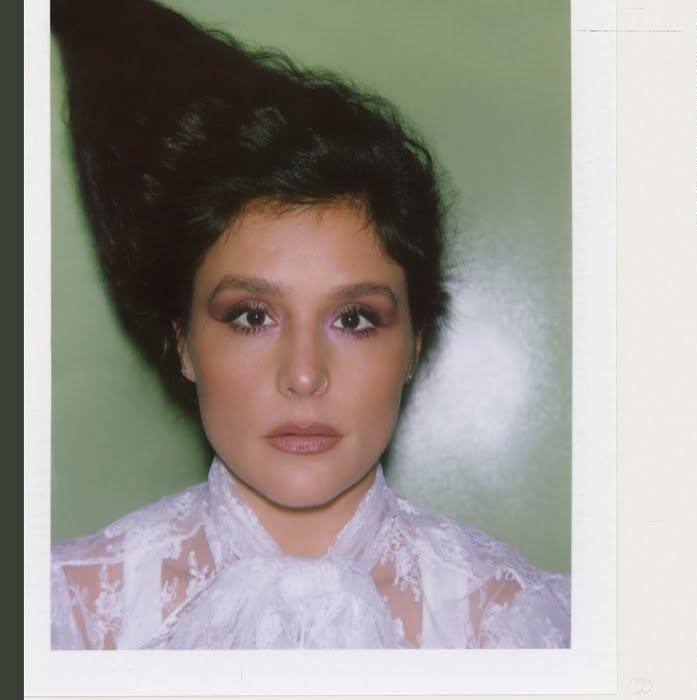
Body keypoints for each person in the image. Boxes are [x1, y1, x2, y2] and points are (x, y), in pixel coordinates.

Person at [49, 0, 571, 650]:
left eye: (354, 319)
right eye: (252, 316)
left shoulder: (520, 625)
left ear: (415, 344)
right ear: (182, 342)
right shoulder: (63, 617)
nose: (303, 375)